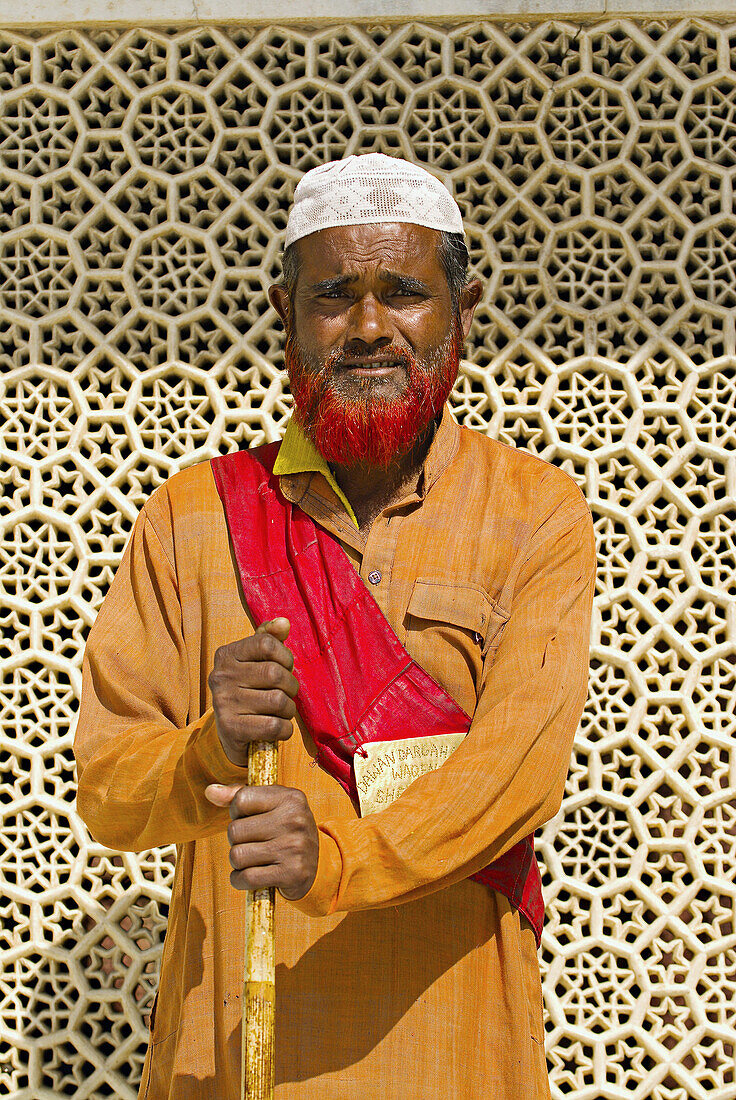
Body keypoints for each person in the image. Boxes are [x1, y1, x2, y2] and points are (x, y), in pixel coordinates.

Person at [74, 154, 596, 1099]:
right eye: (332, 296)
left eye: (402, 292)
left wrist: (338, 856)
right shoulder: (194, 517)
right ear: (286, 317)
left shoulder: (534, 513)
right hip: (236, 1054)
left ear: (460, 316)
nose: (366, 327)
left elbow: (520, 768)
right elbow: (109, 794)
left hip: (455, 1047)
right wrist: (209, 751)